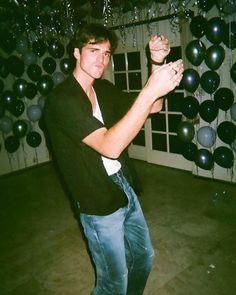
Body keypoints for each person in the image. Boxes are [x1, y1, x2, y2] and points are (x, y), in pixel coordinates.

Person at [43, 23, 183, 295]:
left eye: (106, 53)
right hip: (96, 201)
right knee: (112, 283)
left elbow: (153, 106)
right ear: (76, 53)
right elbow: (110, 147)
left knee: (144, 259)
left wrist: (156, 62)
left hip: (123, 186)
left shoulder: (104, 89)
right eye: (93, 50)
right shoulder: (62, 100)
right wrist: (150, 90)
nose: (102, 59)